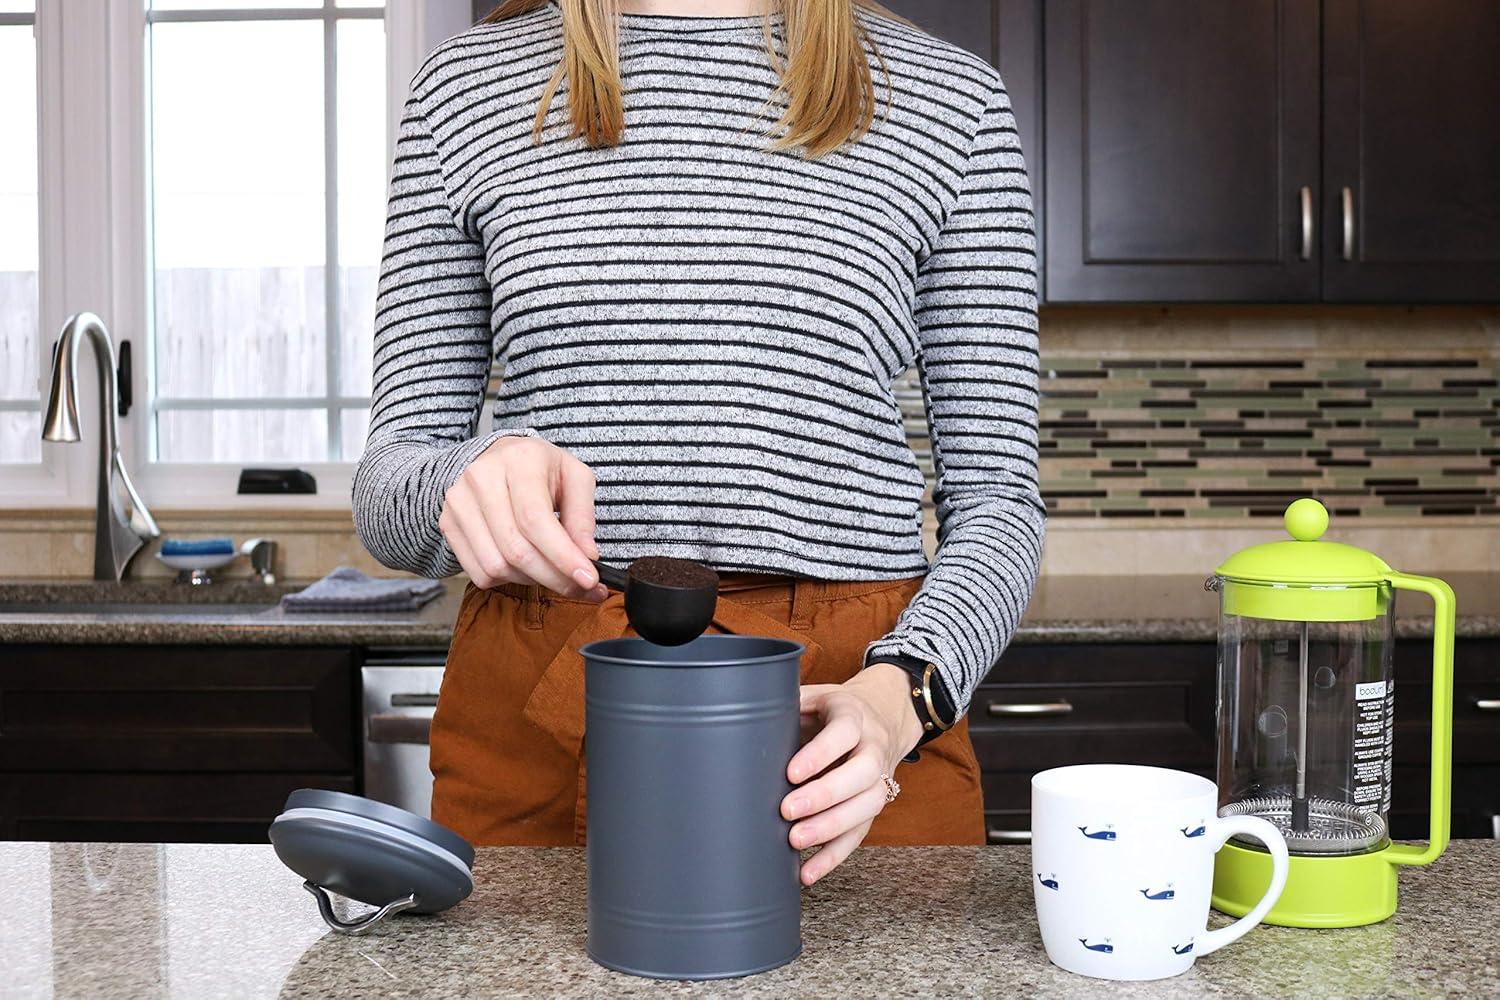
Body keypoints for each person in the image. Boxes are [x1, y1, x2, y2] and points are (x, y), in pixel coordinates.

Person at [353, 0, 1044, 886]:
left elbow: (1000, 503)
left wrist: (904, 695)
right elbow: (387, 491)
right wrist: (461, 479)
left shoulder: (953, 103)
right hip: (543, 694)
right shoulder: (463, 89)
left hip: (854, 716)